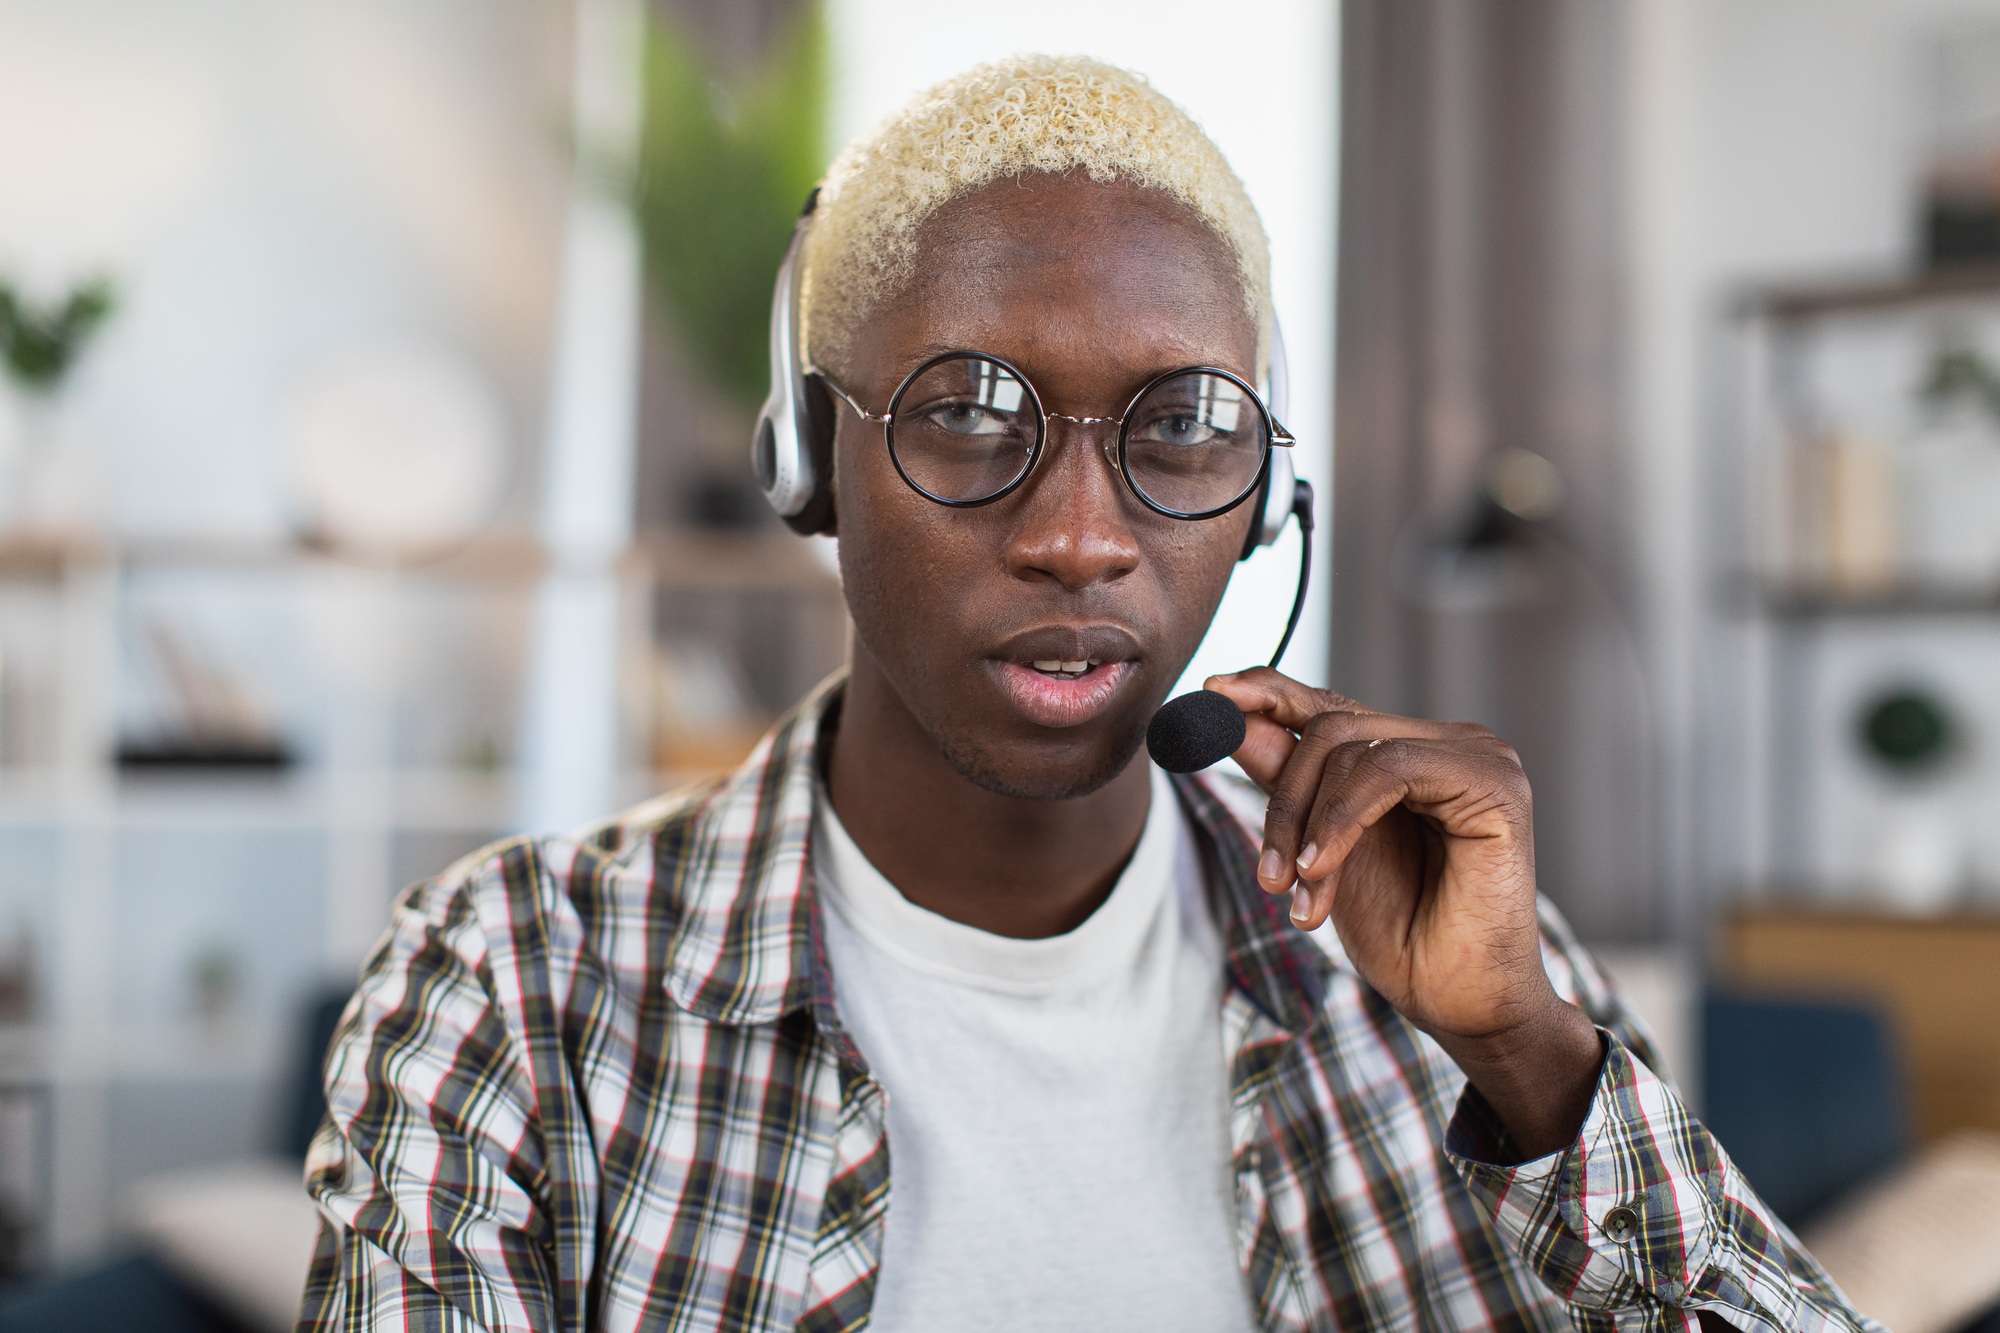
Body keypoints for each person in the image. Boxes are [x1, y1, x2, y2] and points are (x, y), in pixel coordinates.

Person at [299, 56, 1876, 1333]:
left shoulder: (1456, 970)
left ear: (1265, 498)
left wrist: (1535, 1056)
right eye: (968, 413)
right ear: (809, 463)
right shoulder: (513, 985)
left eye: (1184, 424)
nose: (1078, 537)